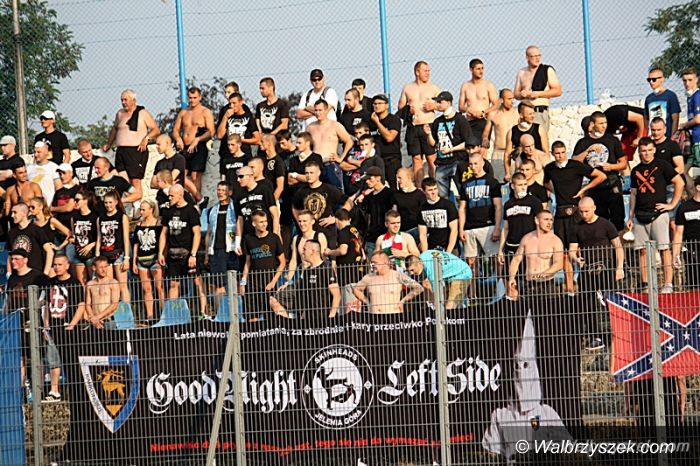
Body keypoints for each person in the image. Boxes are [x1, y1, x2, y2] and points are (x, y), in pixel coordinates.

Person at [543, 140, 605, 293]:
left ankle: (586, 285)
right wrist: (557, 191)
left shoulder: (576, 165)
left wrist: (584, 190)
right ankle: (570, 287)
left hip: (576, 211)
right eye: (557, 153)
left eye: (563, 153)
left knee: (580, 249)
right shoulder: (549, 168)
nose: (560, 156)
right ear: (552, 154)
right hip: (560, 213)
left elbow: (600, 176)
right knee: (564, 252)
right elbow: (545, 183)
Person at [627, 137, 683, 293]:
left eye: (649, 150)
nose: (646, 154)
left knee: (664, 248)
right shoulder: (635, 170)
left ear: (654, 150)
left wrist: (672, 204)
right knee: (642, 250)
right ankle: (645, 284)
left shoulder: (663, 165)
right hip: (640, 215)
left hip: (658, 213)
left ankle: (668, 284)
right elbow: (633, 194)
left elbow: (679, 182)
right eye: (643, 151)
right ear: (639, 152)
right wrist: (630, 216)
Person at [569, 197, 625, 350]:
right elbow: (572, 250)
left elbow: (618, 246)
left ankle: (618, 334)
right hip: (587, 268)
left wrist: (619, 267)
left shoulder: (606, 224)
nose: (584, 215)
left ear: (594, 208)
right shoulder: (576, 227)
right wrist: (576, 258)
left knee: (611, 301)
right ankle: (595, 336)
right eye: (581, 212)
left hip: (606, 267)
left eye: (586, 211)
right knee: (587, 304)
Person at [572, 111, 628, 232]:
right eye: (601, 123)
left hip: (612, 184)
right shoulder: (583, 143)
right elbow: (574, 163)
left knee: (618, 220)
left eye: (605, 123)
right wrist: (588, 151)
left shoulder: (612, 140)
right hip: (595, 187)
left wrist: (612, 167)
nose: (604, 126)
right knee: (599, 221)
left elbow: (623, 163)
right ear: (592, 124)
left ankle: (618, 243)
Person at [102, 89, 161, 202]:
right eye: (122, 100)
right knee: (123, 182)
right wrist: (109, 143)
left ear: (133, 100)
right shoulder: (120, 114)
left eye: (126, 100)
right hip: (121, 151)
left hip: (136, 151)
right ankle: (133, 205)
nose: (123, 102)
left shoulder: (142, 113)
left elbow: (156, 130)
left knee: (135, 182)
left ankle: (132, 205)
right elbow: (115, 129)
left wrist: (146, 139)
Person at [6, 248, 51, 392]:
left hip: (33, 322)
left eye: (17, 259)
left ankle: (39, 390)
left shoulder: (38, 276)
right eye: (12, 259)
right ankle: (20, 391)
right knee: (20, 357)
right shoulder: (12, 278)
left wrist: (40, 307)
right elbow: (8, 299)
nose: (13, 262)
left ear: (25, 260)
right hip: (15, 323)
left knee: (36, 356)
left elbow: (50, 296)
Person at [158, 184, 207, 315]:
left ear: (180, 195)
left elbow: (197, 233)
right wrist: (161, 253)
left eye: (172, 196)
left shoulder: (191, 211)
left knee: (197, 281)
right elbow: (163, 233)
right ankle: (172, 314)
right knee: (173, 284)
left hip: (188, 253)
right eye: (169, 195)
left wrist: (193, 254)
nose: (169, 198)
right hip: (173, 253)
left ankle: (204, 312)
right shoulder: (168, 211)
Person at [458, 152, 502, 294]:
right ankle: (473, 296)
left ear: (482, 163)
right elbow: (462, 208)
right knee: (471, 263)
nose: (473, 166)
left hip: (488, 226)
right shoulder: (465, 184)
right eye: (471, 164)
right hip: (470, 228)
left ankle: (500, 291)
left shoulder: (492, 182)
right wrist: (461, 229)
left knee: (495, 260)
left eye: (476, 163)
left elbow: (498, 206)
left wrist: (497, 227)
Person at [45, 254, 85, 401]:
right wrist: (46, 325)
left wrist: (72, 324)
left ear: (67, 266)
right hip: (53, 328)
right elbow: (47, 305)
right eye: (54, 265)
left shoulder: (74, 283)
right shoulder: (50, 283)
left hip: (69, 328)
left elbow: (81, 305)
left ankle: (76, 392)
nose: (56, 267)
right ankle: (54, 391)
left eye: (60, 264)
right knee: (53, 360)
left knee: (71, 360)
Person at [270, 240, 340, 321]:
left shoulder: (326, 268)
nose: (302, 252)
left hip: (324, 317)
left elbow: (337, 295)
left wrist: (332, 314)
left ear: (312, 251)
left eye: (304, 249)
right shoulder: (307, 271)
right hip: (309, 319)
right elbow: (304, 294)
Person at [398, 61, 440, 184]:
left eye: (428, 70)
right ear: (417, 72)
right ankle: (420, 187)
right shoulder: (408, 88)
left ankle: (434, 185)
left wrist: (433, 106)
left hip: (428, 125)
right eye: (425, 70)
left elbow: (444, 104)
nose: (428, 73)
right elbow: (400, 107)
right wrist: (408, 110)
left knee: (432, 158)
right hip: (413, 126)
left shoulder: (433, 88)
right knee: (416, 159)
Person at [425, 91, 473, 198]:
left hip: (458, 160)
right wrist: (428, 134)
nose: (438, 104)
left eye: (440, 102)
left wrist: (451, 149)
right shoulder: (437, 121)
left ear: (448, 103)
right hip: (442, 162)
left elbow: (468, 142)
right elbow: (433, 144)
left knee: (463, 192)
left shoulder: (460, 119)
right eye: (437, 102)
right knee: (442, 196)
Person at [240, 210, 286, 322]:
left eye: (265, 221)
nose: (264, 224)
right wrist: (243, 282)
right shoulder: (248, 239)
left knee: (271, 317)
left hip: (268, 284)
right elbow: (247, 262)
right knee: (251, 318)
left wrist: (273, 282)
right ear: (254, 224)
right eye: (261, 222)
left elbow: (282, 262)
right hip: (252, 285)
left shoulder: (274, 238)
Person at [507, 210, 564, 299]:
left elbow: (559, 263)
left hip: (547, 284)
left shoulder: (555, 240)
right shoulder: (526, 239)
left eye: (551, 220)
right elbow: (516, 260)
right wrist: (511, 277)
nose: (549, 223)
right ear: (537, 220)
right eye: (546, 219)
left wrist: (546, 273)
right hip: (529, 285)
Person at [292, 159, 349, 248]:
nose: (309, 176)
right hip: (309, 235)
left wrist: (335, 218)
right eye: (306, 173)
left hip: (327, 234)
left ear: (318, 173)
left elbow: (348, 202)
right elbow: (294, 207)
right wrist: (301, 222)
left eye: (311, 173)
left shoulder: (329, 189)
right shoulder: (301, 192)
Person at [173, 86, 216, 196]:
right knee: (180, 175)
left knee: (195, 176)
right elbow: (175, 130)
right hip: (185, 147)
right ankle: (190, 199)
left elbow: (211, 132)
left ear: (200, 97)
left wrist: (198, 139)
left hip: (198, 146)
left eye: (195, 97)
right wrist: (178, 139)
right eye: (190, 98)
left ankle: (197, 200)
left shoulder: (205, 112)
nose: (192, 100)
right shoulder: (183, 112)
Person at [353, 250, 423, 314]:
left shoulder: (397, 276)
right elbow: (356, 289)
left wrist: (403, 301)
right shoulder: (368, 277)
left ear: (385, 263)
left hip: (393, 317)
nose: (373, 265)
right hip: (375, 317)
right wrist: (367, 302)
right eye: (371, 263)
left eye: (375, 263)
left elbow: (418, 288)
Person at [498, 172, 543, 271]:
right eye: (520, 185)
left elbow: (541, 225)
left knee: (528, 276)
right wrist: (500, 250)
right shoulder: (508, 204)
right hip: (511, 246)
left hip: (529, 245)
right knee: (510, 276)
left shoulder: (534, 202)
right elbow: (505, 228)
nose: (523, 188)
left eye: (525, 184)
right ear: (513, 186)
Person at [306, 99, 353, 192]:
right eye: (316, 110)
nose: (318, 113)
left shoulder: (335, 125)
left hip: (331, 165)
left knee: (335, 194)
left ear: (326, 110)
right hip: (316, 166)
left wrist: (341, 158)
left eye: (320, 110)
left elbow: (349, 141)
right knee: (316, 194)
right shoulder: (310, 127)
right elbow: (305, 144)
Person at [347, 166, 396, 256]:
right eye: (366, 179)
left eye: (370, 179)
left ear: (378, 178)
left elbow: (394, 214)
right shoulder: (369, 197)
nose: (367, 181)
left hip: (387, 236)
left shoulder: (389, 194)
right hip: (372, 237)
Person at [513, 45, 562, 131]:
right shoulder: (521, 72)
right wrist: (522, 94)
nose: (537, 58)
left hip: (539, 111)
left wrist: (538, 94)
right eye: (533, 56)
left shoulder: (546, 70)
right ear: (527, 57)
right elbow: (516, 94)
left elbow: (558, 91)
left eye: (538, 55)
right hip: (525, 113)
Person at [204, 181, 239, 303]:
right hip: (217, 251)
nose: (220, 193)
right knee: (218, 284)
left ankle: (236, 309)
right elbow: (209, 233)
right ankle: (221, 311)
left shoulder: (236, 209)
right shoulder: (212, 210)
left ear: (230, 192)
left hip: (233, 250)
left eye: (223, 190)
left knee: (235, 281)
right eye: (219, 190)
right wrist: (207, 254)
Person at [406, 250, 472, 310]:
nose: (411, 273)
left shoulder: (431, 269)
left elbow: (437, 292)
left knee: (449, 306)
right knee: (444, 305)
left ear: (419, 263)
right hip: (450, 276)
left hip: (462, 274)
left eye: (412, 270)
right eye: (409, 271)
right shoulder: (423, 256)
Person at [131, 200, 163, 322]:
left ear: (151, 209)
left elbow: (162, 241)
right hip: (141, 258)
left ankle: (163, 313)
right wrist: (134, 261)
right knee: (146, 288)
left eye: (144, 209)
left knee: (159, 287)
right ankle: (150, 316)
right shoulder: (139, 224)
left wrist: (161, 255)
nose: (142, 212)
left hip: (154, 258)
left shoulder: (158, 223)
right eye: (141, 209)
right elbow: (135, 244)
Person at [97, 190, 131, 302]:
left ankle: (127, 309)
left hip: (118, 253)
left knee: (122, 285)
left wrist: (126, 258)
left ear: (116, 202)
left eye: (110, 202)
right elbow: (99, 238)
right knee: (108, 285)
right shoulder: (100, 218)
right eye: (106, 203)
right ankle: (111, 310)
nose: (108, 205)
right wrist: (97, 257)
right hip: (105, 254)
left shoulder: (122, 217)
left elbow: (126, 238)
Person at [504, 102, 549, 181]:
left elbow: (546, 151)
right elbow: (507, 154)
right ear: (521, 115)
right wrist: (507, 173)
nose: (533, 116)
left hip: (537, 170)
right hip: (521, 169)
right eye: (530, 114)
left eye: (533, 113)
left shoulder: (539, 129)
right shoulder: (512, 132)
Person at [458, 58, 498, 145]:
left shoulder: (488, 85)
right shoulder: (465, 86)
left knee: (482, 147)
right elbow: (461, 107)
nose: (481, 71)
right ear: (471, 70)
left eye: (482, 68)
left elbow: (496, 105)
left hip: (484, 121)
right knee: (470, 146)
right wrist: (469, 110)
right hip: (470, 121)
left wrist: (483, 112)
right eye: (478, 69)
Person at [482, 89, 519, 182]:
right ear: (502, 100)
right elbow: (486, 132)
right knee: (498, 182)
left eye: (513, 99)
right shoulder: (493, 115)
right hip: (499, 153)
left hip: (514, 153)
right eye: (509, 99)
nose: (512, 101)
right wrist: (485, 139)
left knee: (517, 181)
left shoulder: (517, 113)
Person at [235, 166, 280, 240]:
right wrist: (238, 241)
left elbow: (275, 214)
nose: (238, 179)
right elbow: (240, 220)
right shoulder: (239, 195)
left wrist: (274, 236)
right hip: (249, 238)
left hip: (266, 235)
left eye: (241, 176)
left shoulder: (264, 190)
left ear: (250, 176)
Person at [8, 203, 53, 275]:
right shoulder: (12, 232)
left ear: (23, 213)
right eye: (12, 213)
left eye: (15, 212)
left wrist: (45, 273)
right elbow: (10, 255)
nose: (12, 215)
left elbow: (50, 252)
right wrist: (9, 272)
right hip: (17, 275)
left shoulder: (36, 230)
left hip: (35, 274)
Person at [324, 208, 365, 286]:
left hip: (348, 275)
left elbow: (342, 251)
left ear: (336, 220)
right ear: (349, 219)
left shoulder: (343, 232)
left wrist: (329, 252)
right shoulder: (355, 231)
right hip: (359, 273)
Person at [370, 94, 402, 191]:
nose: (377, 106)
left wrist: (377, 122)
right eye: (375, 104)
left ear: (387, 105)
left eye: (380, 103)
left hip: (391, 159)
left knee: (394, 188)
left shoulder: (393, 119)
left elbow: (389, 137)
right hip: (376, 159)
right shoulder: (370, 121)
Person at [418, 177, 458, 253]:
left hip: (449, 247)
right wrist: (425, 254)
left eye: (435, 189)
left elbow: (454, 230)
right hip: (432, 248)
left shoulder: (448, 205)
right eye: (430, 190)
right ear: (424, 191)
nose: (433, 192)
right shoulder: (422, 209)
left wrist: (448, 252)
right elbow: (422, 234)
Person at [673, 176, 700, 287]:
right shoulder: (684, 207)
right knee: (693, 282)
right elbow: (678, 233)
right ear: (698, 187)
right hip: (691, 249)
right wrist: (675, 255)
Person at [217, 91, 260, 157]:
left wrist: (240, 140)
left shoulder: (248, 117)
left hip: (244, 153)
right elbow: (220, 135)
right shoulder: (227, 117)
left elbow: (257, 139)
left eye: (234, 103)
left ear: (241, 102)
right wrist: (225, 117)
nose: (232, 106)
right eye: (230, 104)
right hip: (228, 154)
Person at [70, 192, 99, 285]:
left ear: (85, 201)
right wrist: (72, 239)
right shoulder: (74, 217)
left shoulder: (94, 217)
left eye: (77, 200)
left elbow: (100, 237)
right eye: (74, 200)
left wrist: (91, 245)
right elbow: (73, 234)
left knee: (93, 282)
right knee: (82, 283)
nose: (75, 202)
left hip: (91, 254)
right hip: (78, 253)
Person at [85, 256, 120, 329]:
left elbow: (114, 304)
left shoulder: (113, 282)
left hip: (108, 320)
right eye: (101, 267)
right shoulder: (90, 284)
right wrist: (93, 318)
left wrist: (98, 317)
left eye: (105, 267)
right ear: (94, 268)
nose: (104, 270)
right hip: (94, 321)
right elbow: (87, 304)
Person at [643, 67, 680, 138]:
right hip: (653, 137)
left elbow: (675, 119)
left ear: (662, 79)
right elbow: (646, 118)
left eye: (654, 79)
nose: (651, 82)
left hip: (667, 136)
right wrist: (648, 132)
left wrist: (672, 137)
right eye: (649, 80)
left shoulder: (670, 95)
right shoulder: (648, 98)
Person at [394, 167, 425, 242]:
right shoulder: (396, 195)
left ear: (408, 177)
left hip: (416, 230)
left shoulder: (420, 195)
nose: (398, 180)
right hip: (401, 232)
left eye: (400, 178)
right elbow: (394, 213)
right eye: (397, 178)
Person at [50, 164, 80, 236]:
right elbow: (51, 211)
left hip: (73, 229)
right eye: (60, 174)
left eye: (64, 173)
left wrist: (54, 208)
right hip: (59, 231)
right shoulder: (58, 192)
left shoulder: (78, 189)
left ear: (71, 173)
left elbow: (69, 208)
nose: (62, 176)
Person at [219, 133, 251, 198]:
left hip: (243, 193)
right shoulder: (226, 160)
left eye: (232, 144)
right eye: (228, 145)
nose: (230, 147)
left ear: (239, 144)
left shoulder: (246, 159)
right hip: (229, 194)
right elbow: (223, 177)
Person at [681, 68, 700, 169]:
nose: (687, 83)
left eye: (690, 80)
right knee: (684, 171)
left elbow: (698, 119)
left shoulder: (697, 95)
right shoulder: (690, 97)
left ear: (696, 79)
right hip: (693, 139)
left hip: (698, 139)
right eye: (684, 80)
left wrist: (683, 125)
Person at [259, 133, 286, 200]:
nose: (260, 144)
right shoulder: (261, 160)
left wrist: (271, 202)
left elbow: (280, 187)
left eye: (262, 142)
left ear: (269, 143)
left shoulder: (278, 162)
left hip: (272, 198)